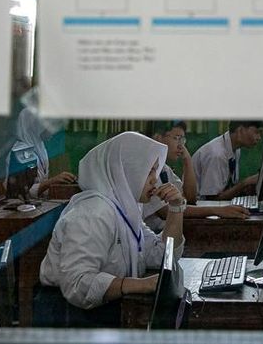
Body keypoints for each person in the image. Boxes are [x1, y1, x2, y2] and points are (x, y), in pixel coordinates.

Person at [39, 132, 185, 311]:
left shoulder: (126, 208)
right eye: (149, 171)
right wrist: (141, 285)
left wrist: (176, 208)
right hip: (66, 313)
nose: (155, 179)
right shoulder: (93, 213)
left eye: (155, 170)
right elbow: (77, 283)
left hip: (105, 307)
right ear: (125, 171)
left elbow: (160, 255)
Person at [140, 121, 249, 232]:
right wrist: (217, 210)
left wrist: (187, 160)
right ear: (158, 138)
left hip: (168, 229)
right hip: (154, 233)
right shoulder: (147, 169)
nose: (181, 145)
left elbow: (190, 198)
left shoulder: (165, 168)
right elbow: (164, 211)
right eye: (177, 138)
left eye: (182, 140)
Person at [6, 108, 76, 200]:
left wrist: (60, 181)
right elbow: (22, 193)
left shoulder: (40, 148)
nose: (53, 130)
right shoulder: (20, 153)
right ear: (35, 126)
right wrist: (52, 181)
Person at [192, 121, 263, 200]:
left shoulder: (235, 149)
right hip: (200, 204)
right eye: (257, 132)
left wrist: (247, 187)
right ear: (240, 131)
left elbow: (227, 188)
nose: (259, 137)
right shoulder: (217, 155)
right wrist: (245, 183)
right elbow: (212, 200)